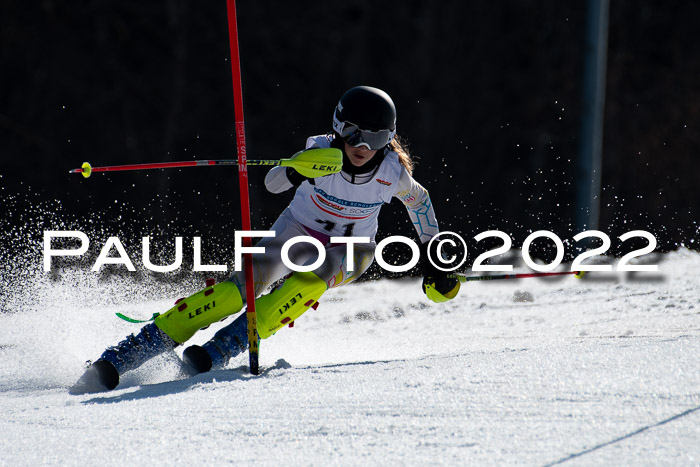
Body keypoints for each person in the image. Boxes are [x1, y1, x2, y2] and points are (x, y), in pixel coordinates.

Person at [71, 85, 460, 394]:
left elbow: (420, 203)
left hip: (351, 251)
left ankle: (220, 349)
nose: (362, 145)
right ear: (339, 126)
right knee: (232, 294)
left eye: (376, 137)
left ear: (388, 138)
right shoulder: (320, 150)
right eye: (354, 132)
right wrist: (296, 172)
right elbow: (273, 183)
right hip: (296, 230)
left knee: (304, 284)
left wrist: (434, 259)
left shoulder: (392, 172)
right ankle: (126, 355)